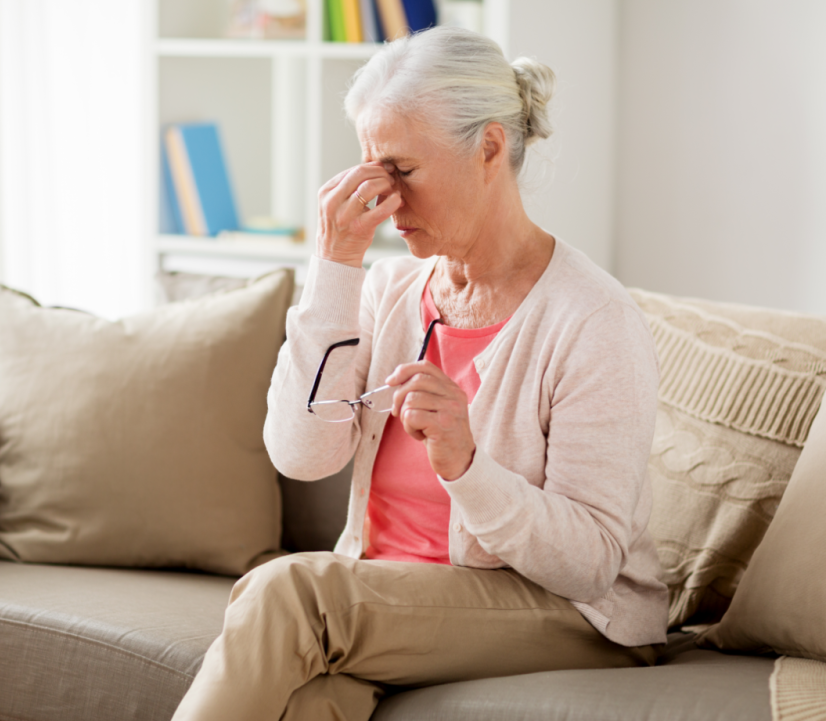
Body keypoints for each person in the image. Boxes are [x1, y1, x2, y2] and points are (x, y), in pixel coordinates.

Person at [171, 26, 668, 721]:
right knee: (306, 704)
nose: (385, 200)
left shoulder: (593, 318)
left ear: (489, 148)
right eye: (372, 171)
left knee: (287, 592)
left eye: (403, 171)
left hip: (572, 614)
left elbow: (590, 563)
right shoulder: (390, 289)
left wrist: (467, 462)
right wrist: (335, 266)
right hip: (394, 595)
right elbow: (301, 453)